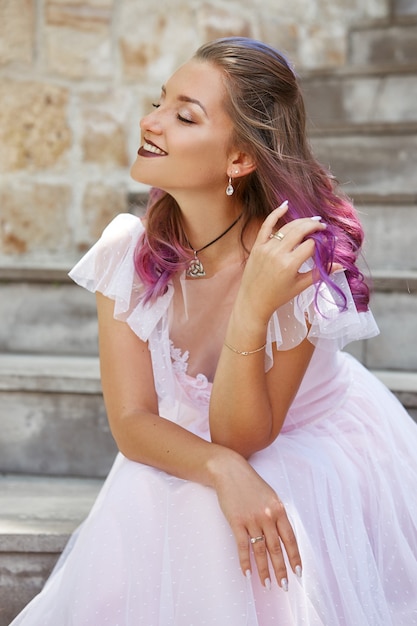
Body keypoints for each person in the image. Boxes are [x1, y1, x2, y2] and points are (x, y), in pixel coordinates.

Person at [10, 36, 417, 626]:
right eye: (159, 101)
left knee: (217, 513)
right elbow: (132, 422)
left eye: (184, 114)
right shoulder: (129, 249)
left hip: (300, 436)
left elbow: (243, 436)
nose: (151, 122)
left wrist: (252, 305)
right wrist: (222, 470)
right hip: (217, 440)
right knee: (171, 486)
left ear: (239, 160)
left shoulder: (299, 262)